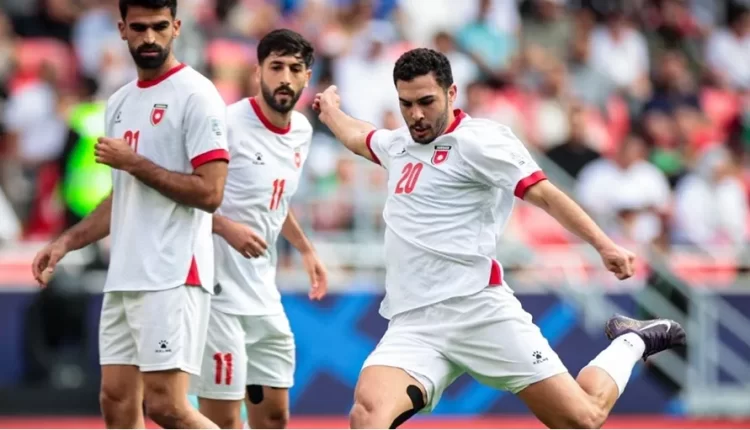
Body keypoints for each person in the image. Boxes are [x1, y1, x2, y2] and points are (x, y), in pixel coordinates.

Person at [312, 48, 686, 429]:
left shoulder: (481, 141)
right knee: (367, 416)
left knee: (583, 418)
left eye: (426, 101)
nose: (416, 115)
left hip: (479, 310)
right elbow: (359, 135)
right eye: (406, 104)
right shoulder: (398, 146)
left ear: (451, 93)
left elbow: (545, 194)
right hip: (414, 323)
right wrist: (330, 111)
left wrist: (604, 244)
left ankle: (631, 341)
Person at [31, 1, 229, 428]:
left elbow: (211, 193)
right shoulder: (119, 102)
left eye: (160, 26)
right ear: (122, 29)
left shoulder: (196, 94)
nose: (149, 38)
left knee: (167, 406)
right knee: (117, 403)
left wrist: (135, 163)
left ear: (177, 27)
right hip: (125, 272)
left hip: (172, 271)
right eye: (139, 28)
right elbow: (124, 194)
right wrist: (65, 242)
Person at [191, 29, 328, 429]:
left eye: (295, 69)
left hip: (263, 293)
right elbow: (182, 195)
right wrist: (224, 227)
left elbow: (274, 200)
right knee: (223, 421)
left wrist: (305, 249)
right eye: (276, 67)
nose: (285, 77)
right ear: (258, 72)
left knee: (274, 417)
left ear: (306, 77)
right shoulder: (225, 124)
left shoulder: (301, 131)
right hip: (218, 296)